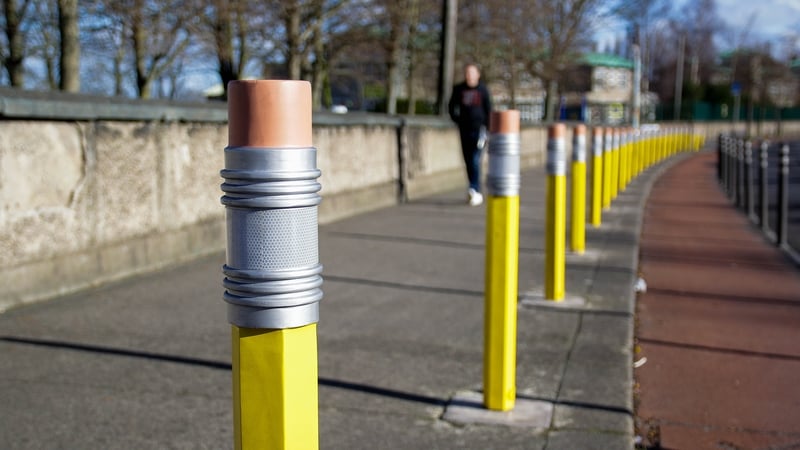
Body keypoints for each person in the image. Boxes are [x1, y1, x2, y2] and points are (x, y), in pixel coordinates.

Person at [448, 63, 492, 206]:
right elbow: (451, 107)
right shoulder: (459, 89)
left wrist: (488, 129)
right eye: (467, 72)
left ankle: (474, 188)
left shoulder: (483, 90)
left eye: (472, 73)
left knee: (475, 159)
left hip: (479, 130)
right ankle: (473, 188)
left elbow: (489, 110)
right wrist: (457, 120)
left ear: (478, 75)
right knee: (468, 160)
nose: (469, 75)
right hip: (464, 129)